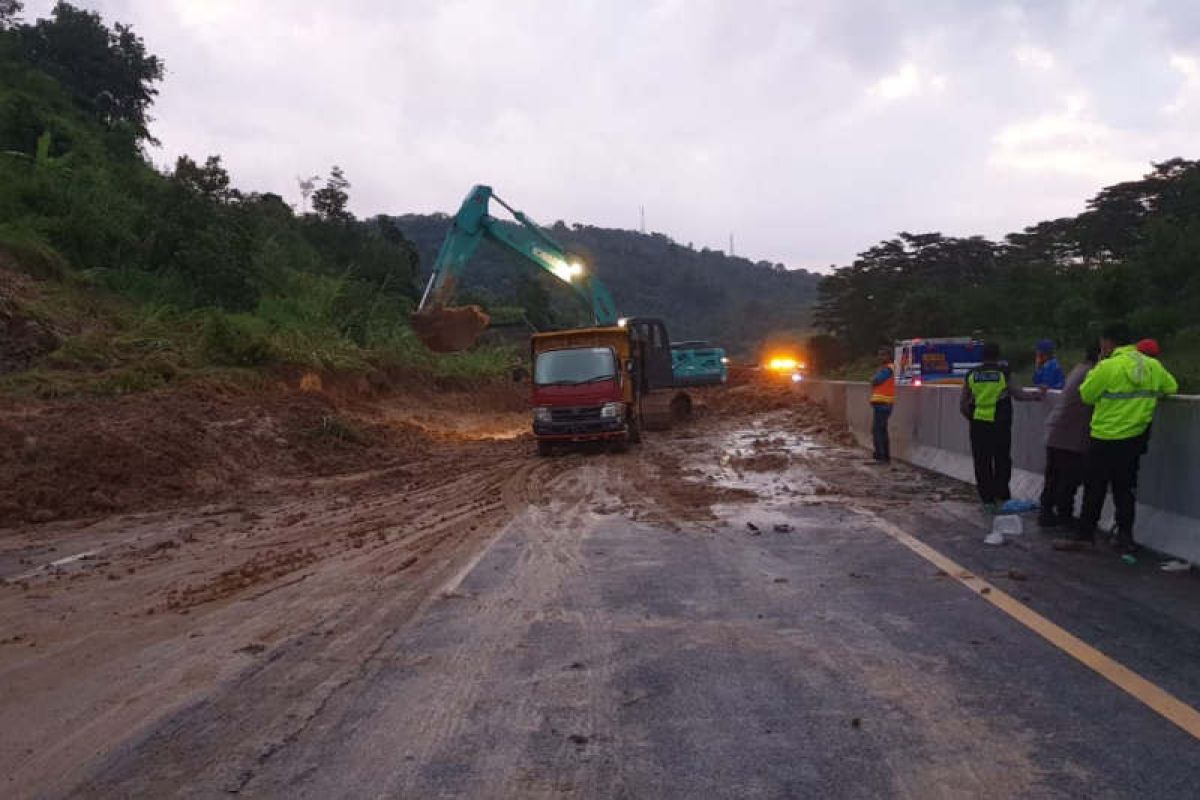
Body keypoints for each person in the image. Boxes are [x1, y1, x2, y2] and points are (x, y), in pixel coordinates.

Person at [1057, 323, 1178, 554]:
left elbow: (1087, 394)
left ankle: (1085, 536)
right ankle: (1125, 537)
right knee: (1126, 490)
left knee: (1095, 489)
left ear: (1109, 342)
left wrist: (1101, 364)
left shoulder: (1108, 366)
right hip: (1134, 439)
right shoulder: (1153, 366)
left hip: (1104, 437)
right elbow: (1171, 387)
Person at [960, 342, 1044, 513]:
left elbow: (963, 403)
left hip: (979, 424)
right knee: (1002, 460)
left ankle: (987, 500)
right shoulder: (1003, 373)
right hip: (1000, 423)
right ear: (998, 357)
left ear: (982, 357)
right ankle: (1002, 495)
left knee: (982, 462)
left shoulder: (972, 374)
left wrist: (972, 417)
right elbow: (1019, 394)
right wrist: (1037, 395)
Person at [1038, 344, 1098, 528]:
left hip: (1056, 429)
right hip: (1071, 435)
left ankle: (1046, 514)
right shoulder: (1093, 373)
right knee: (1068, 479)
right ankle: (1064, 517)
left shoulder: (1078, 369)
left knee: (1054, 477)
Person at [869, 349, 895, 463]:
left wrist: (874, 378)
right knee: (881, 430)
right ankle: (884, 455)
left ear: (888, 356)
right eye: (879, 355)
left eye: (882, 355)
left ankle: (881, 455)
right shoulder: (887, 369)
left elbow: (876, 380)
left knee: (877, 430)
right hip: (883, 403)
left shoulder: (888, 369)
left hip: (883, 403)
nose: (880, 357)